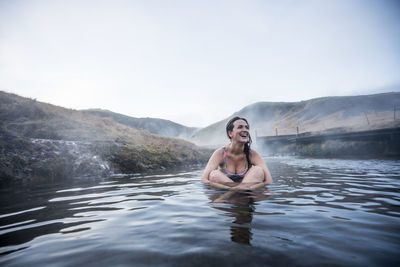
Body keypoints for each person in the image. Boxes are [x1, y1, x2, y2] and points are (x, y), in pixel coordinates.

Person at [202, 117, 272, 190]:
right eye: (240, 127)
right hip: (226, 191)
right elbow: (204, 180)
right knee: (214, 174)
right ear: (230, 133)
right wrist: (232, 189)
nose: (245, 130)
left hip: (246, 193)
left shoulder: (252, 154)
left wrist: (242, 189)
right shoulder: (220, 153)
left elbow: (268, 180)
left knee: (258, 170)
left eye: (247, 127)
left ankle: (237, 193)